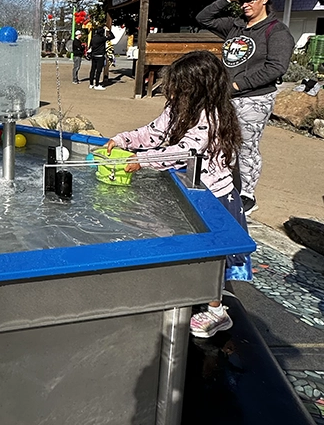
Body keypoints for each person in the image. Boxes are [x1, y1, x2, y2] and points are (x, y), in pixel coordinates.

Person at [104, 50, 251, 338]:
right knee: (188, 246)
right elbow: (154, 132)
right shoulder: (178, 108)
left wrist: (143, 160)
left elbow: (186, 150)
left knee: (212, 256)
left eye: (178, 88)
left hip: (214, 198)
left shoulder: (212, 115)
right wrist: (124, 139)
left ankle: (217, 311)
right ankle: (189, 289)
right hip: (192, 190)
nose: (171, 93)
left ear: (198, 89)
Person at [197, 0, 294, 215]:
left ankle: (247, 194)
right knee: (218, 140)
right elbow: (203, 17)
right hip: (226, 97)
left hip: (254, 99)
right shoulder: (235, 26)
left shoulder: (276, 31)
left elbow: (276, 67)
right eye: (243, 0)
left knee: (246, 146)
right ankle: (221, 183)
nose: (246, 4)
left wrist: (238, 84)